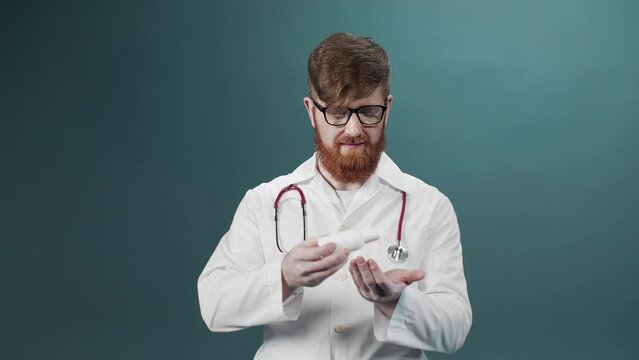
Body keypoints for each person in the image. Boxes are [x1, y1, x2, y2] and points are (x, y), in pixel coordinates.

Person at [197, 32, 472, 359]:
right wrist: (284, 276)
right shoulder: (266, 201)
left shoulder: (429, 206)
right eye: (338, 113)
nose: (354, 130)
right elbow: (213, 304)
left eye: (368, 112)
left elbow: (454, 330)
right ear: (311, 111)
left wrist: (395, 301)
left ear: (388, 108)